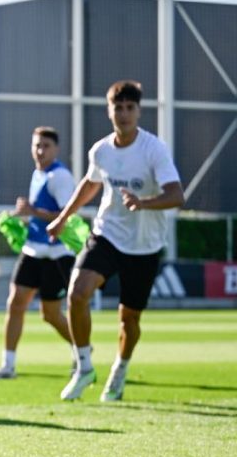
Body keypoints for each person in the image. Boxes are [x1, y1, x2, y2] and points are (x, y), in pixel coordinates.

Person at [48, 80, 185, 402]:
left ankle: (120, 370)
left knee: (129, 319)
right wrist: (63, 217)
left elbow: (177, 194)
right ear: (109, 111)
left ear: (138, 111)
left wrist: (144, 203)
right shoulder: (102, 150)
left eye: (129, 108)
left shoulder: (154, 149)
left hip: (144, 245)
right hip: (106, 234)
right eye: (118, 107)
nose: (124, 114)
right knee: (77, 293)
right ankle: (84, 366)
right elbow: (90, 183)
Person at [0, 127, 75, 380]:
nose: (40, 150)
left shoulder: (60, 176)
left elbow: (69, 215)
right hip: (33, 250)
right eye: (36, 145)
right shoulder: (38, 174)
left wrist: (33, 211)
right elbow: (39, 213)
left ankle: (81, 351)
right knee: (15, 303)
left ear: (55, 149)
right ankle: (7, 365)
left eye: (45, 145)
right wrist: (20, 221)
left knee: (51, 314)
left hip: (57, 254)